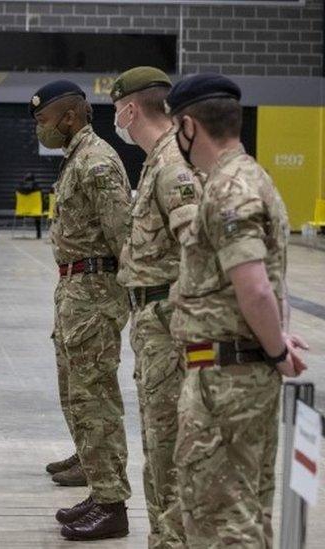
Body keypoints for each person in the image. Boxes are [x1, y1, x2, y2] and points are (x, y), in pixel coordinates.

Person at [166, 74, 308, 547]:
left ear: (189, 126)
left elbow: (256, 289)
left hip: (224, 380)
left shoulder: (229, 189)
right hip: (236, 371)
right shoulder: (253, 177)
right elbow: (271, 280)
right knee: (245, 513)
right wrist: (275, 342)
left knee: (220, 521)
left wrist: (275, 351)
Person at [30, 80, 132, 541]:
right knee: (78, 396)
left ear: (69, 116)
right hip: (75, 290)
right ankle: (98, 486)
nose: (40, 129)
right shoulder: (76, 157)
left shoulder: (97, 162)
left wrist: (121, 302)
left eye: (43, 120)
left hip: (94, 292)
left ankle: (112, 505)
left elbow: (124, 240)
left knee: (96, 399)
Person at [110, 67, 202, 548]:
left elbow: (198, 246)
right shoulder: (157, 161)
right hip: (155, 322)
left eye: (115, 109)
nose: (115, 119)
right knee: (159, 443)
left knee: (167, 447)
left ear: (129, 109)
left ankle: (172, 541)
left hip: (170, 325)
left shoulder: (170, 165)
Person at [15, 173, 43, 239]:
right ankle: (38, 233)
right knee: (38, 213)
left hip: (21, 211)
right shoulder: (38, 189)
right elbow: (42, 199)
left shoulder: (19, 189)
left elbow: (16, 199)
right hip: (35, 212)